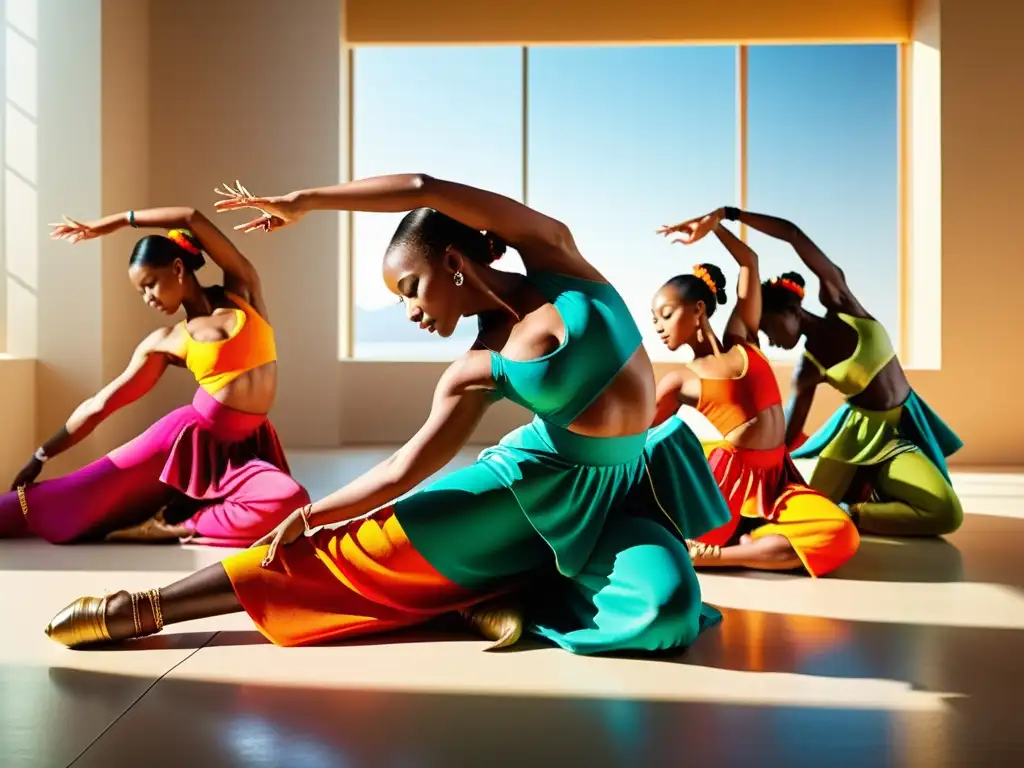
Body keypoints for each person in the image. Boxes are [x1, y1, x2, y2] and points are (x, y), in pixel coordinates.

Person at [45, 174, 731, 654]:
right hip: (529, 486)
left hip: (628, 492)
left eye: (410, 288)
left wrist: (306, 201)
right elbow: (405, 468)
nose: (410, 310)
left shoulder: (555, 254)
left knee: (663, 616)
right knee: (356, 552)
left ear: (456, 261)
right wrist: (312, 513)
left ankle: (504, 587)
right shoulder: (472, 369)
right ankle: (146, 610)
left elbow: (426, 188)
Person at [0, 203, 309, 546]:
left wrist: (113, 222)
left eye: (150, 284)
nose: (147, 297)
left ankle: (175, 521)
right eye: (141, 291)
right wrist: (39, 456)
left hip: (245, 448)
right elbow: (101, 404)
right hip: (184, 440)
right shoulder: (166, 340)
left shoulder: (243, 290)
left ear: (178, 268)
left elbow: (191, 216)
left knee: (290, 503)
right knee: (74, 496)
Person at [724, 206, 963, 537]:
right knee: (798, 519)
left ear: (792, 310)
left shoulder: (842, 303)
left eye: (769, 327)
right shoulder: (807, 369)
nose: (771, 341)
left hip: (900, 435)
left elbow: (793, 235)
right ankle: (745, 525)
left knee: (946, 513)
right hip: (855, 441)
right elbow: (789, 435)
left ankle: (851, 510)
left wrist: (731, 214)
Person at [651, 209, 859, 576]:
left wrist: (716, 224)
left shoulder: (743, 337)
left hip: (778, 478)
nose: (659, 328)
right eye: (655, 321)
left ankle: (716, 553)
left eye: (665, 314)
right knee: (676, 528)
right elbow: (635, 438)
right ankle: (729, 546)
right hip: (725, 485)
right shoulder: (678, 381)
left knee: (840, 534)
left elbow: (749, 262)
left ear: (699, 309)